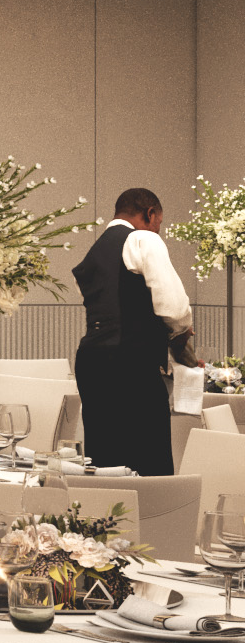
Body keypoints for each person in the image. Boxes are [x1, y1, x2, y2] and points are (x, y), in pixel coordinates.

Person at [73, 186, 194, 475]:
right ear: (149, 214)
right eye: (160, 223)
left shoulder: (97, 248)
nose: (159, 231)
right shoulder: (142, 239)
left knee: (106, 458)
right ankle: (154, 519)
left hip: (91, 361)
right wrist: (183, 340)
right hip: (130, 362)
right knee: (148, 457)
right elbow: (174, 309)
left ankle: (107, 519)